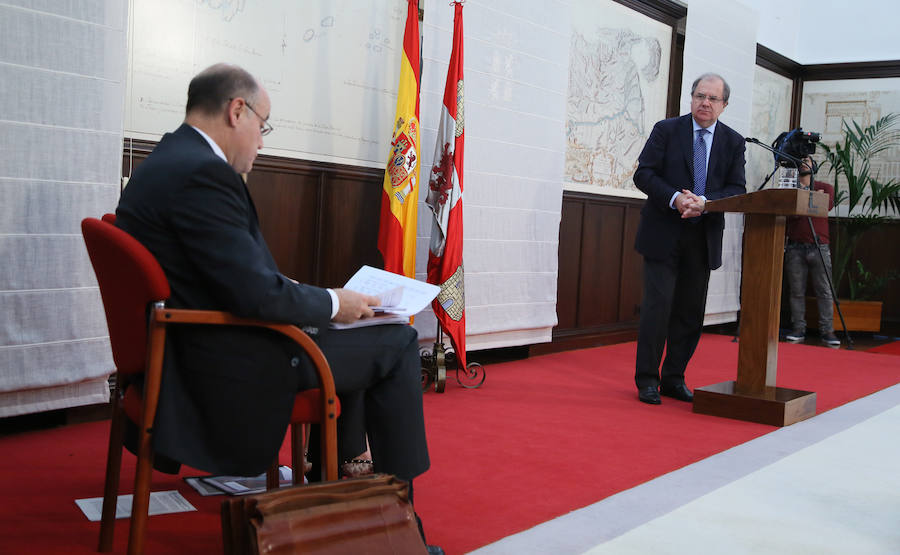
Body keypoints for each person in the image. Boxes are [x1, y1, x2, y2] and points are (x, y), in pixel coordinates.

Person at [115, 64, 441, 552]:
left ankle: (340, 502)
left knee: (360, 336)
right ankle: (396, 530)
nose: (262, 144)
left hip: (190, 346)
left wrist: (319, 299)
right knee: (397, 342)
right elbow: (255, 296)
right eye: (263, 127)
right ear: (237, 111)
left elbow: (226, 275)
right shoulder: (203, 174)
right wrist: (333, 302)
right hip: (224, 364)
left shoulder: (167, 160)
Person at [632, 73, 747, 405]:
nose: (705, 103)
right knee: (657, 308)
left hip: (702, 236)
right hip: (663, 233)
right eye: (700, 96)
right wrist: (676, 198)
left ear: (724, 105)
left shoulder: (733, 142)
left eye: (712, 98)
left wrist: (705, 203)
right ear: (692, 97)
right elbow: (644, 174)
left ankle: (674, 378)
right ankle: (647, 380)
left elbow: (737, 189)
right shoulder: (666, 130)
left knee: (689, 312)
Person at [783, 157, 841, 347]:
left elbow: (825, 206)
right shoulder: (790, 190)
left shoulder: (826, 187)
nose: (803, 163)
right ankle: (798, 328)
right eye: (800, 161)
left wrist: (805, 201)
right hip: (795, 246)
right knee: (796, 291)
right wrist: (812, 199)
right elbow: (788, 215)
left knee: (824, 290)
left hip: (819, 246)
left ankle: (827, 330)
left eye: (807, 160)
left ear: (814, 166)